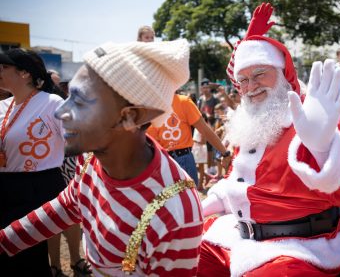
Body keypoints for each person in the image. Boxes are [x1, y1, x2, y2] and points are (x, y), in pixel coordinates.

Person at [198, 3, 340, 276]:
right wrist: (198, 208)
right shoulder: (250, 124)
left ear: (282, 76)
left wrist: (323, 149)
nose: (250, 86)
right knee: (179, 256)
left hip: (301, 248)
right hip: (239, 238)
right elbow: (236, 183)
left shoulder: (312, 119)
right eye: (243, 80)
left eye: (259, 75)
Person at [0, 40, 203, 276]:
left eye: (81, 101)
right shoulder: (91, 163)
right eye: (69, 96)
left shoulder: (175, 212)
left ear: (129, 117)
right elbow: (63, 208)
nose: (60, 112)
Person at [0, 50, 67, 276]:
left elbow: (78, 140)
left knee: (27, 258)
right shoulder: (2, 106)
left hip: (37, 187)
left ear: (25, 73)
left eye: (4, 67)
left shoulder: (51, 103)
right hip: (5, 186)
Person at [46, 70, 91, 277]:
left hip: (69, 163)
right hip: (47, 167)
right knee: (51, 216)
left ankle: (76, 259)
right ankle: (54, 264)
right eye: (56, 84)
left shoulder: (65, 107)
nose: (60, 89)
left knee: (72, 214)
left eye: (62, 85)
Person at [147, 92, 231, 187]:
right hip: (158, 163)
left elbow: (205, 130)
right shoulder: (146, 106)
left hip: (181, 161)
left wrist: (225, 153)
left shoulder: (183, 102)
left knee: (186, 200)